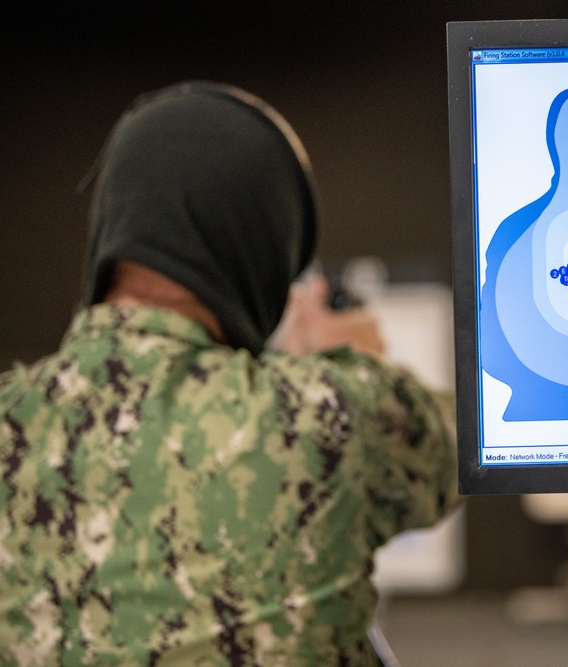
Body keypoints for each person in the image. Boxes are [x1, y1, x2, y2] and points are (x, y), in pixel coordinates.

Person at [0, 81, 457, 665]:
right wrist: (350, 361)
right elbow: (450, 448)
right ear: (262, 255)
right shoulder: (328, 419)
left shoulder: (13, 421)